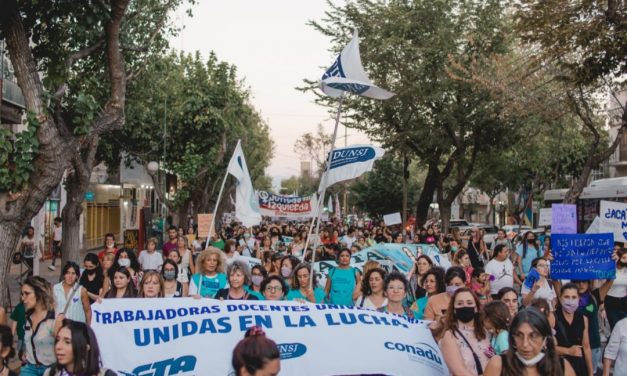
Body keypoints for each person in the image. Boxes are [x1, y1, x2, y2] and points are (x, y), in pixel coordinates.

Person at [484, 307, 575, 376]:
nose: (525, 344)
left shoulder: (561, 367)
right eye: (519, 335)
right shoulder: (498, 365)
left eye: (533, 336)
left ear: (545, 339)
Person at [439, 288, 492, 376]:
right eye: (460, 303)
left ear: (476, 308)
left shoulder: (485, 332)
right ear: (454, 309)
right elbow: (459, 371)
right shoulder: (450, 336)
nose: (465, 306)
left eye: (469, 303)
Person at [45, 319, 115, 376]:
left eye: (67, 342)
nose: (58, 346)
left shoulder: (106, 374)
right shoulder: (50, 373)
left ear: (85, 348)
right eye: (57, 340)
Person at [21, 276, 60, 376]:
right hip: (29, 368)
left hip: (52, 368)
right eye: (22, 294)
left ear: (39, 293)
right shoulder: (27, 316)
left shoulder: (55, 317)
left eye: (27, 293)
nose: (23, 298)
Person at [555, 283, 593, 376]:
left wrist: (591, 373)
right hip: (559, 367)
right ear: (560, 298)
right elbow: (545, 347)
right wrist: (568, 351)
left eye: (574, 297)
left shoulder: (583, 319)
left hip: (579, 366)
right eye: (567, 297)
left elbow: (586, 347)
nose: (570, 301)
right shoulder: (552, 317)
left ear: (579, 298)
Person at [572, 280, 603, 375]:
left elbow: (610, 281)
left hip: (593, 344)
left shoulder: (595, 296)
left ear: (589, 283)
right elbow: (556, 282)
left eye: (584, 281)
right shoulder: (569, 298)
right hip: (575, 345)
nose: (581, 284)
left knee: (592, 372)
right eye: (578, 281)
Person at [605, 247, 627, 330]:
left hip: (624, 301)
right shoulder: (611, 269)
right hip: (611, 301)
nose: (625, 260)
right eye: (624, 258)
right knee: (615, 326)